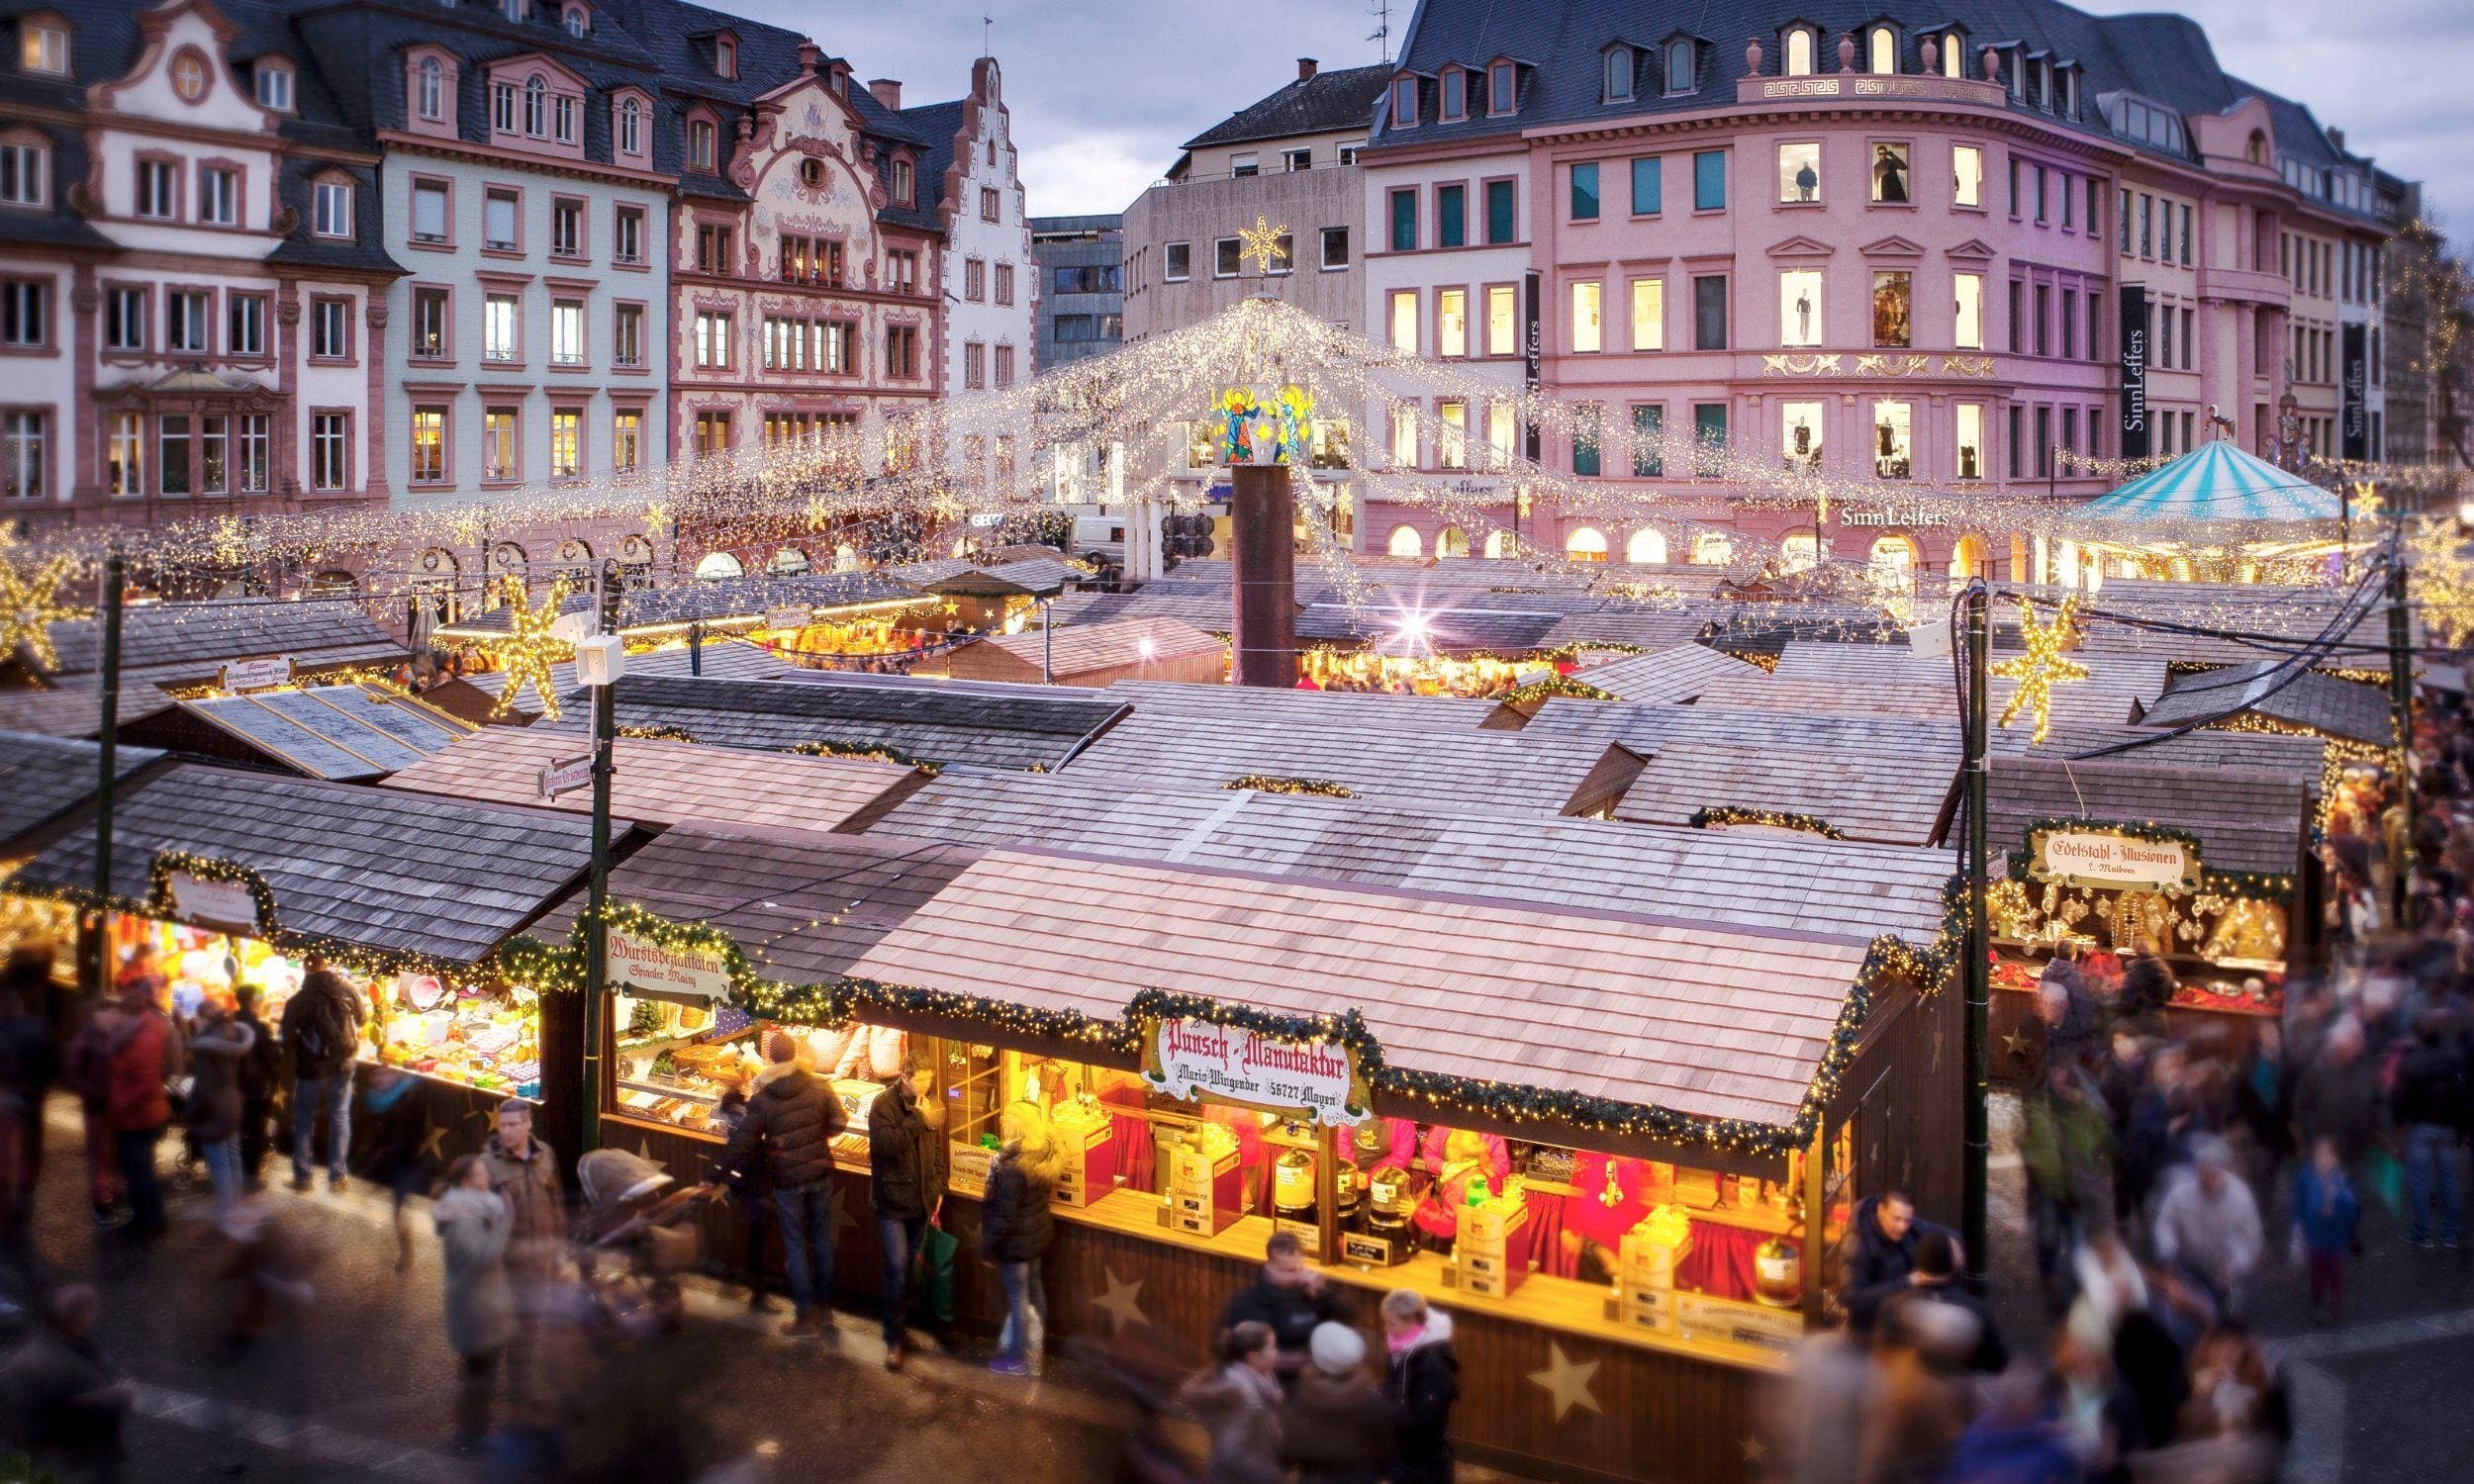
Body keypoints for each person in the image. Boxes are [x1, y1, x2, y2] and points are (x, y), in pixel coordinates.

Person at [719, 1033, 846, 1338]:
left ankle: (805, 1319)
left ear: (771, 1058)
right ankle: (826, 1311)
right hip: (819, 1174)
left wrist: (717, 1174)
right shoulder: (819, 1086)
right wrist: (817, 1136)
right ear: (796, 1055)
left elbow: (744, 1140)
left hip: (787, 1180)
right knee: (822, 1242)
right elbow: (839, 1123)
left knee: (796, 1246)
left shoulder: (764, 1098)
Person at [86, 971, 182, 1240]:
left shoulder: (147, 1031)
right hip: (136, 1112)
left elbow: (143, 1079)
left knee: (138, 1170)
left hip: (138, 1114)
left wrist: (119, 1104)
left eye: (129, 997)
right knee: (136, 1168)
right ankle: (146, 1218)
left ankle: (149, 1222)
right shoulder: (137, 1027)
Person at [0, 1284, 131, 1482]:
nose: (94, 1314)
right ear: (77, 1316)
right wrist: (120, 1394)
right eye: (89, 1309)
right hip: (76, 1459)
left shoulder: (46, 1346)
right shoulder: (62, 1364)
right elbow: (87, 1406)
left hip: (63, 1453)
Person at [867, 1053, 945, 1370]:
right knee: (897, 1268)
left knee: (909, 1268)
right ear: (905, 1078)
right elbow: (886, 1145)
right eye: (920, 1080)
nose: (925, 1086)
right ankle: (894, 1340)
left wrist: (939, 1186)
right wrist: (917, 1119)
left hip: (921, 1201)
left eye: (929, 1080)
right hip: (892, 1201)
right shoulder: (882, 1106)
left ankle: (902, 1328)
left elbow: (937, 1149)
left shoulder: (931, 1102)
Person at [434, 1153, 515, 1452]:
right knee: (478, 1373)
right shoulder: (462, 1219)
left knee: (480, 1372)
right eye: (482, 1175)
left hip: (481, 1305)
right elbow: (481, 1259)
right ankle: (468, 1433)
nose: (488, 1179)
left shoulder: (471, 1209)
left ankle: (475, 1427)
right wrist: (505, 1221)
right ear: (468, 1182)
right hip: (475, 1309)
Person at [980, 1100, 1059, 1375]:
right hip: (1036, 1239)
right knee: (1036, 1296)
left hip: (1015, 1245)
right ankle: (1036, 1354)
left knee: (1018, 1301)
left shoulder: (1011, 1165)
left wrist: (987, 1247)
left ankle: (1015, 1359)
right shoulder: (1042, 1153)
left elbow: (1004, 1215)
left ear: (1017, 1126)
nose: (1002, 1123)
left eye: (1007, 1120)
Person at [279, 955, 366, 1191]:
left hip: (312, 1068)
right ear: (326, 967)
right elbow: (362, 1018)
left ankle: (303, 1177)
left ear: (306, 972)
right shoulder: (348, 988)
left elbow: (285, 1040)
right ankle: (338, 1177)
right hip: (344, 1064)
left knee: (305, 1120)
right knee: (339, 1115)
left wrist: (300, 1040)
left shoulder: (298, 1000)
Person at [2151, 1137, 2264, 1317]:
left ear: (2224, 1170)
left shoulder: (2241, 1197)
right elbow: (2165, 1223)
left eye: (2213, 1171)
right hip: (2189, 1266)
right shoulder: (2181, 1194)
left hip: (2225, 1270)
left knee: (2227, 1318)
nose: (2208, 1177)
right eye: (2203, 1170)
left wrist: (2236, 1263)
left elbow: (2251, 1239)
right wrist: (2168, 1251)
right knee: (2191, 1316)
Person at [1218, 1229, 1347, 1381]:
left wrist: (1324, 1292)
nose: (1297, 1276)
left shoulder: (1313, 1295)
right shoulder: (1247, 1302)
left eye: (1299, 1268)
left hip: (1311, 1384)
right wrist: (1288, 1361)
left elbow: (1345, 1320)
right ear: (1270, 1267)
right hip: (1268, 1383)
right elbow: (1228, 1349)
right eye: (1288, 1271)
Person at [1281, 1322, 1395, 1484]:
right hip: (1360, 1478)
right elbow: (1388, 1450)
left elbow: (1289, 1450)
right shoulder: (1373, 1402)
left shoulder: (1304, 1399)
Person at [0, 946, 60, 1245]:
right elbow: (52, 1065)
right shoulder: (40, 1025)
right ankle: (23, 1197)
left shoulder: (9, 1029)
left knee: (7, 1153)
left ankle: (10, 1210)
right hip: (32, 1096)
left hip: (12, 1098)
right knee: (29, 1148)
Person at [2391, 1010, 2467, 1250]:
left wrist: (2399, 1125)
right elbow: (2461, 1095)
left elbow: (2399, 1097)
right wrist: (2462, 1128)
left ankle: (2423, 1233)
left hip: (2421, 1126)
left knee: (2420, 1181)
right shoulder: (2453, 1059)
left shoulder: (2410, 1061)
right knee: (2449, 1181)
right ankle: (2450, 1234)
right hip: (2446, 1128)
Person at [1885, 1229, 2008, 1374]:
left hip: (1909, 1393)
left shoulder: (1894, 1306)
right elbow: (1997, 1364)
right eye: (1959, 1254)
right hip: (1959, 1393)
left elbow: (1885, 1361)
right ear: (1952, 1263)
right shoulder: (1975, 1311)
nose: (1962, 1256)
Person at [1176, 1320, 1284, 1484]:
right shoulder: (1245, 1394)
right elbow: (1230, 1452)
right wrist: (1269, 1474)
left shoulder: (1262, 1377)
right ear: (1252, 1356)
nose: (1277, 1352)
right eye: (1272, 1347)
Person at [708, 1087, 776, 1314]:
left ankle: (731, 1278)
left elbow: (734, 1151)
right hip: (752, 1185)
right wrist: (712, 1178)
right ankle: (757, 1293)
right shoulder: (751, 1119)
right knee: (756, 1237)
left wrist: (715, 1178)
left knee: (745, 1232)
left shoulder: (741, 1117)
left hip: (743, 1183)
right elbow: (736, 1151)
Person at [185, 1000, 255, 1220]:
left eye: (197, 1017)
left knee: (219, 1162)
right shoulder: (232, 1037)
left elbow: (204, 1087)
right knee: (233, 1156)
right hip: (233, 1102)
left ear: (204, 1019)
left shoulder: (206, 1049)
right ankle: (235, 1204)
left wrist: (191, 1112)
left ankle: (227, 1212)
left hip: (214, 1108)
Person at [1380, 1289, 1458, 1484]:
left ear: (1412, 1322)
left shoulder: (1433, 1366)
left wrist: (1381, 1409)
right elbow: (1394, 1388)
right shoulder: (1402, 1348)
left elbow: (1422, 1419)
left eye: (1391, 1323)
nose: (1386, 1329)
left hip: (1424, 1462)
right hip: (1404, 1452)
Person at [479, 1097, 563, 1277]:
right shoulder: (486, 1164)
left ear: (528, 1123)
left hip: (546, 1258)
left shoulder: (546, 1154)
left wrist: (559, 1250)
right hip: (511, 1265)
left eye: (513, 1124)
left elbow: (556, 1203)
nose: (506, 1131)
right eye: (502, 1125)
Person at [1840, 1189, 1943, 1335]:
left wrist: (1954, 1248)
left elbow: (1942, 1232)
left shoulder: (1907, 1224)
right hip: (1871, 1331)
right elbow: (1851, 1298)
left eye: (1907, 1220)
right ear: (1881, 1211)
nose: (1902, 1227)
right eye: (1896, 1219)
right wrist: (1907, 1282)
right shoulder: (1857, 1246)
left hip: (1903, 1316)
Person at [2290, 1136, 2360, 1325]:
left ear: (2335, 1159)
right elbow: (2299, 1201)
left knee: (2336, 1271)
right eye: (2317, 1155)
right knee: (2317, 1271)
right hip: (2315, 1236)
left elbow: (2352, 1209)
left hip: (2336, 1237)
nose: (2320, 1160)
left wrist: (2337, 1205)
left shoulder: (2341, 1180)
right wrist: (2297, 1224)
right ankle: (2318, 1301)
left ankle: (2335, 1302)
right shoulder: (2306, 1175)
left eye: (2325, 1155)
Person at [231, 984, 279, 1191]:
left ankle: (233, 1171)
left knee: (235, 1129)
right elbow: (272, 1059)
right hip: (253, 1088)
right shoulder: (259, 1028)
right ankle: (250, 1175)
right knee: (254, 1131)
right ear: (252, 1002)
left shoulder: (228, 1023)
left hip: (231, 1086)